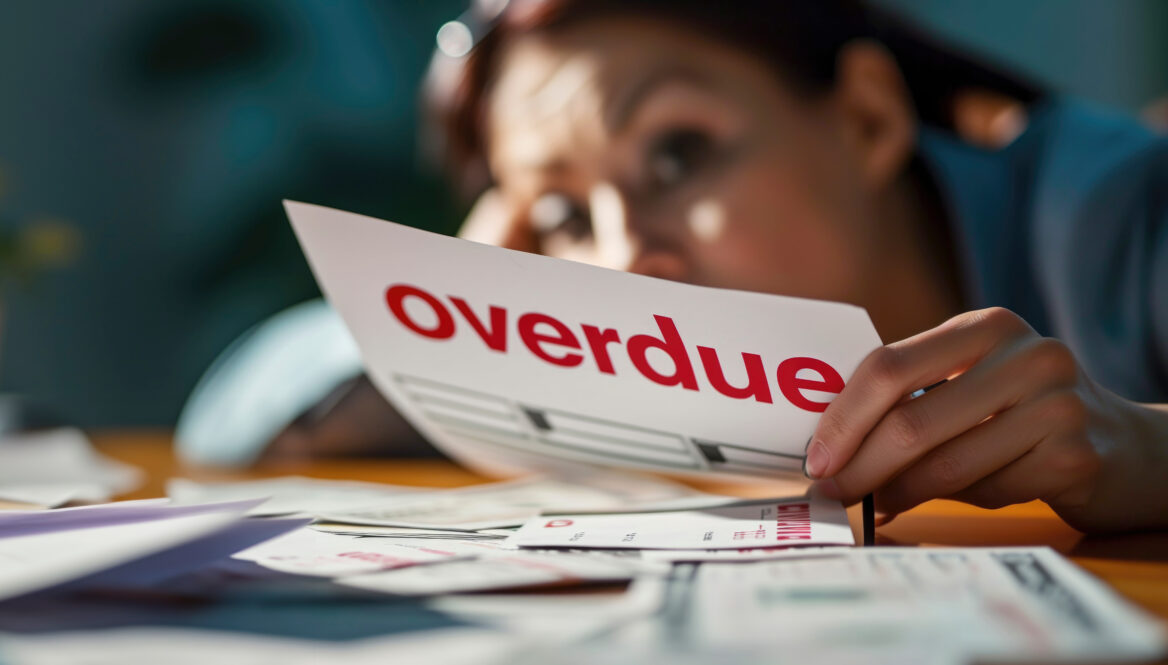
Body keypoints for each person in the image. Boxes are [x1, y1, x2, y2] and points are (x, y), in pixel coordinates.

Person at [177, 0, 1168, 532]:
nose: (625, 261)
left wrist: (1148, 451)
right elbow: (230, 411)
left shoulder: (1126, 212)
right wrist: (465, 310)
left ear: (866, 116)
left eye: (676, 154)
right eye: (563, 214)